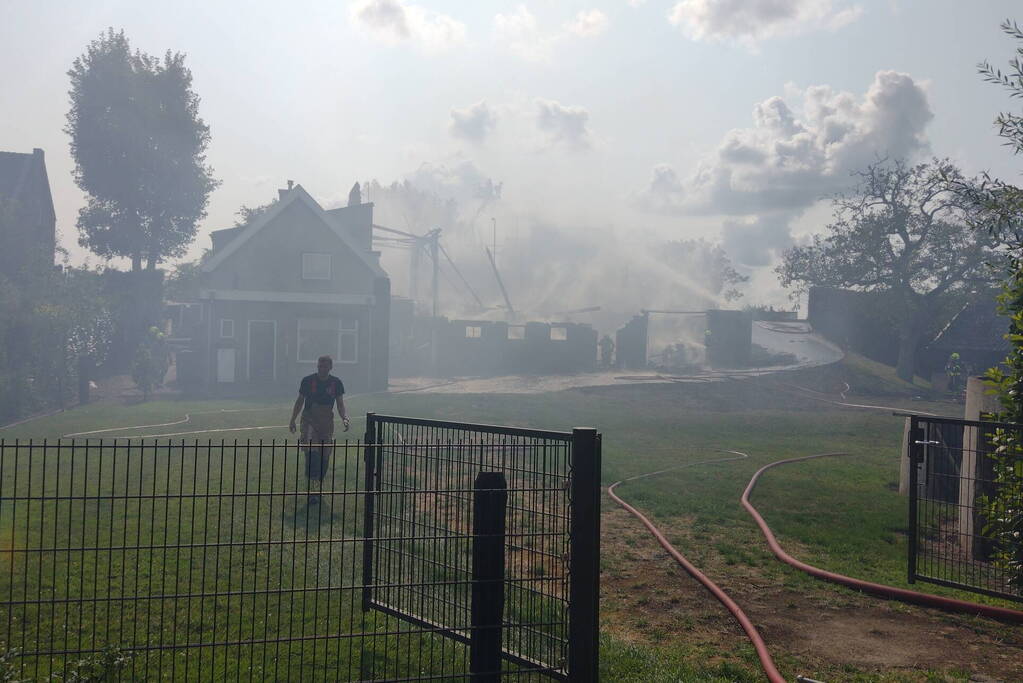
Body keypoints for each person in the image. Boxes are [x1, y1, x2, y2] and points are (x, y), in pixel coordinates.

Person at [289, 355, 350, 504]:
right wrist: (292, 419)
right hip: (309, 420)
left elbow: (340, 404)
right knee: (313, 456)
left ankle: (318, 488)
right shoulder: (308, 381)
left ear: (330, 367)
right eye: (319, 366)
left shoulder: (336, 383)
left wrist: (345, 418)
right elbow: (300, 401)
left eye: (324, 366)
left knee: (324, 458)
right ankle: (313, 493)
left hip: (326, 423)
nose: (321, 369)